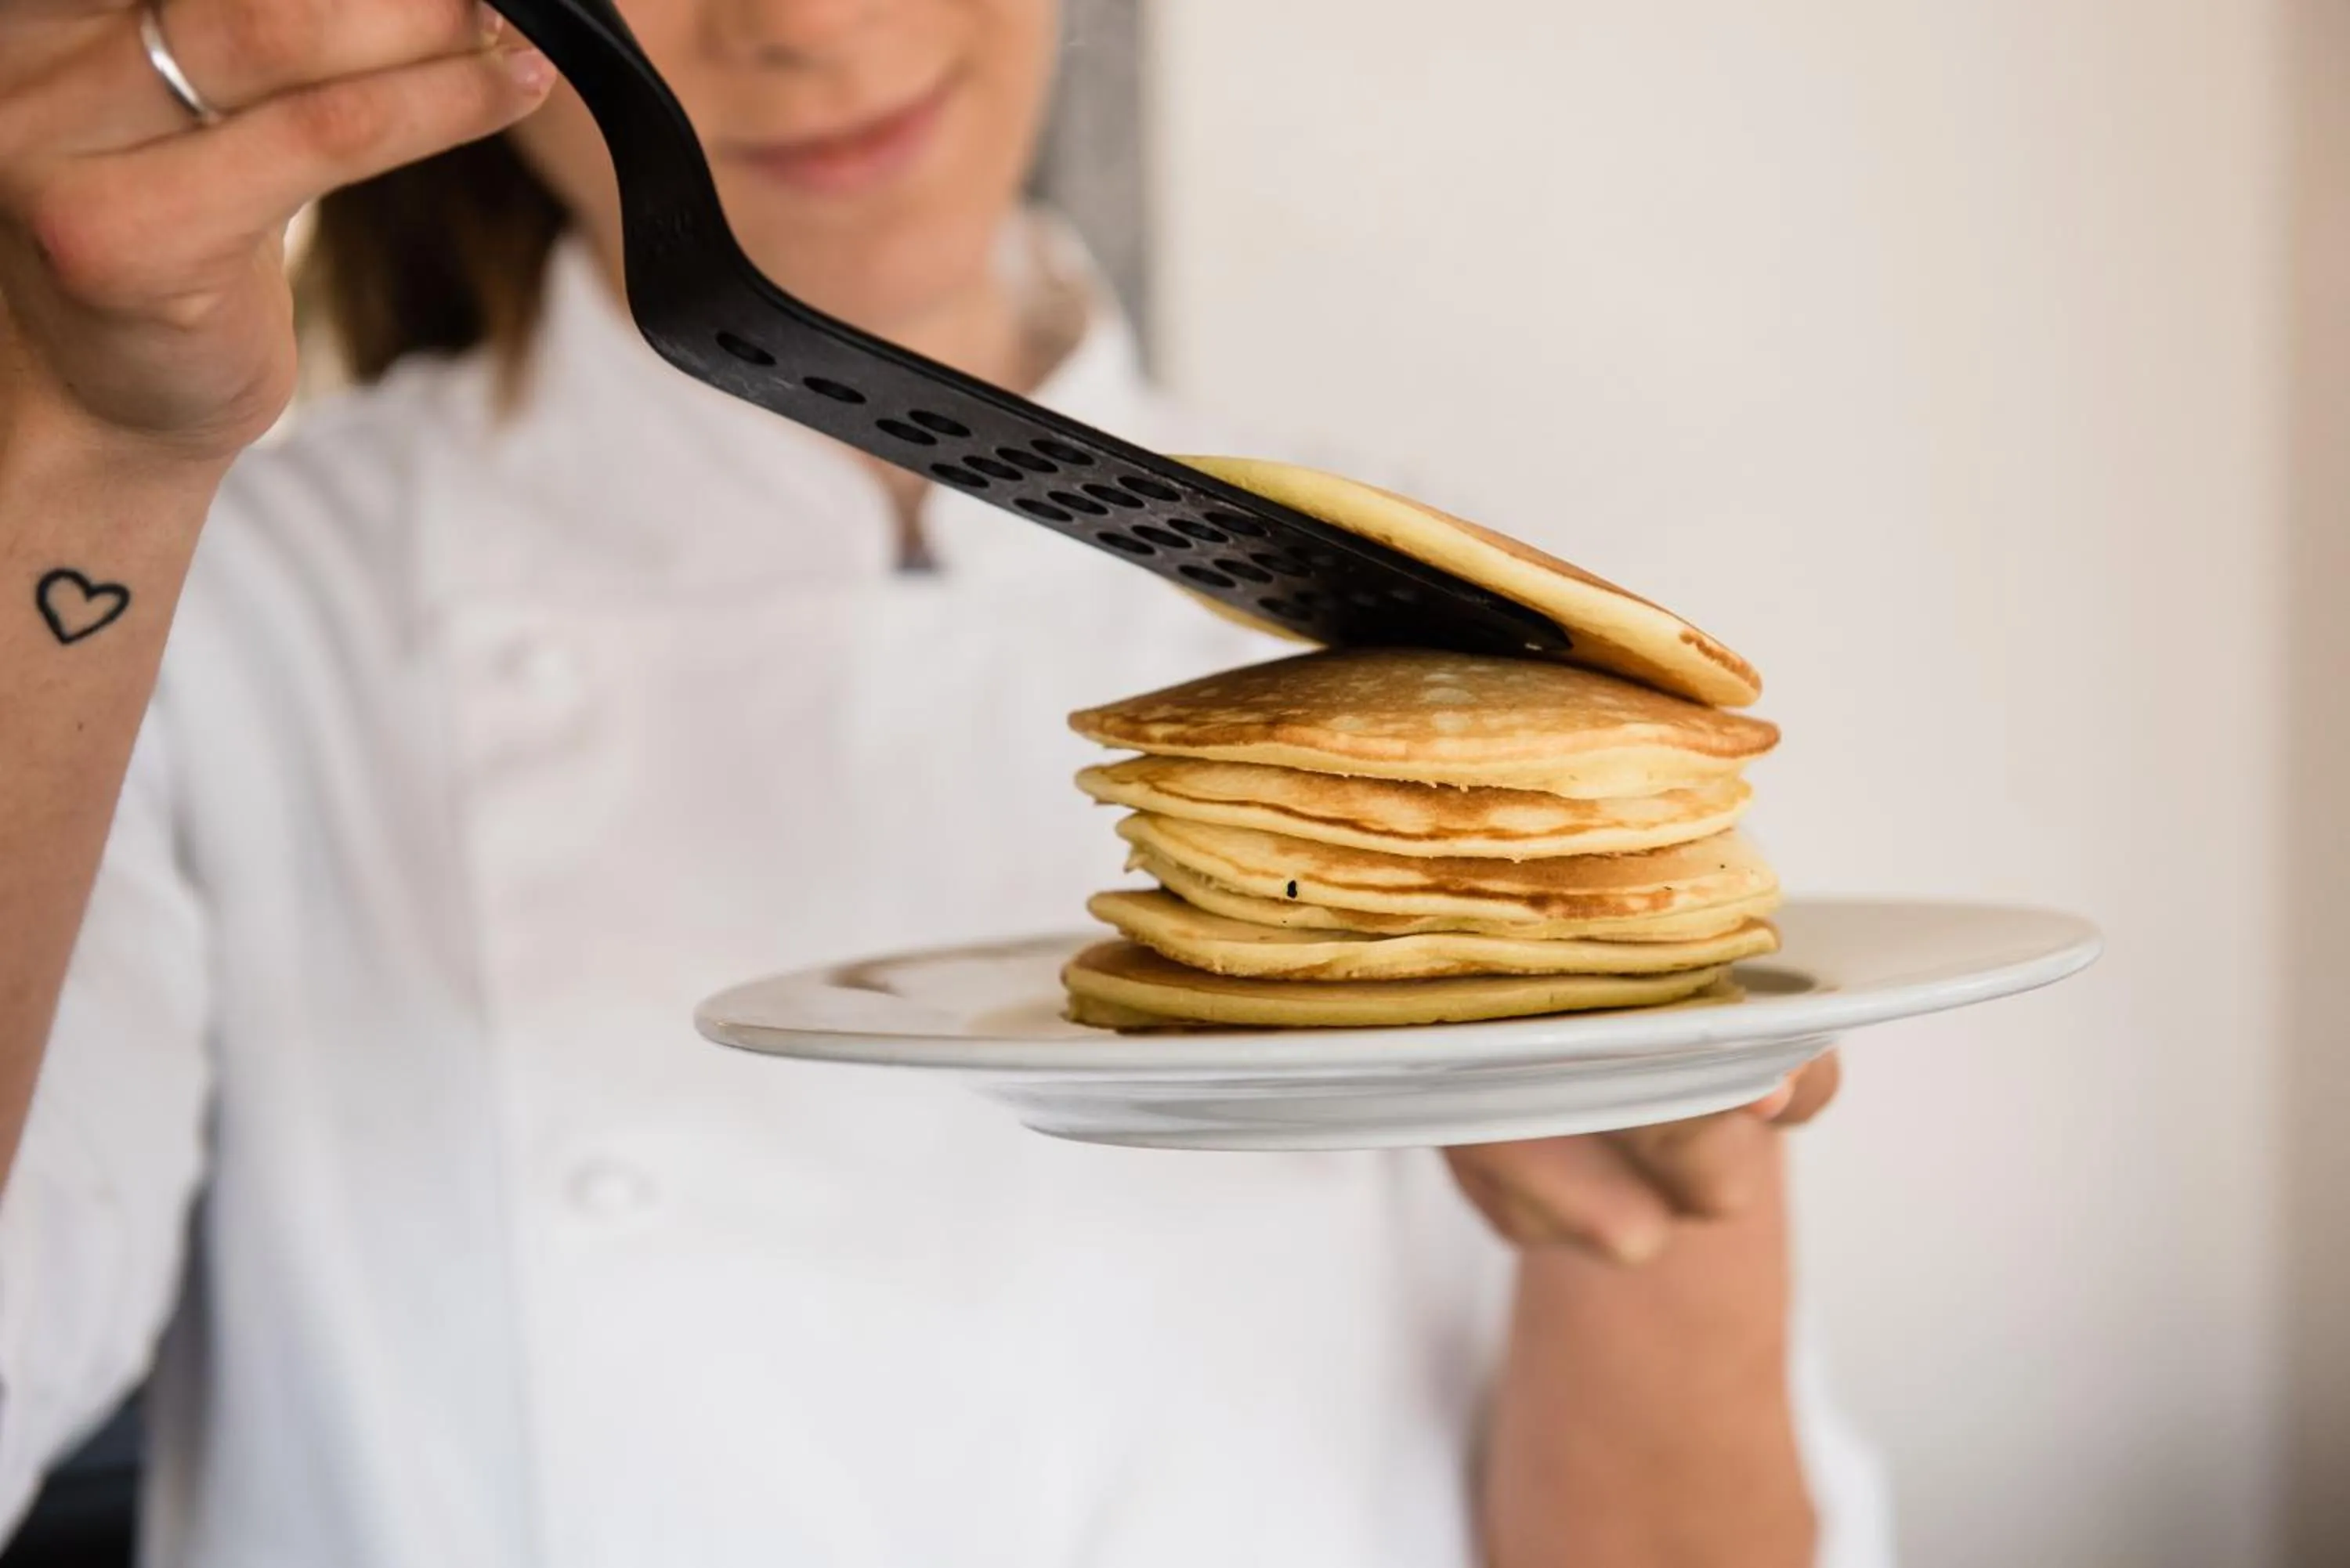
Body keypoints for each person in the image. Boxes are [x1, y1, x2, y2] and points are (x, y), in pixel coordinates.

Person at [0, 2, 1886, 1564]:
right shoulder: (175, 595)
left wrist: (1681, 1176)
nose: (809, 25)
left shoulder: (1440, 654)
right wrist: (73, 452)